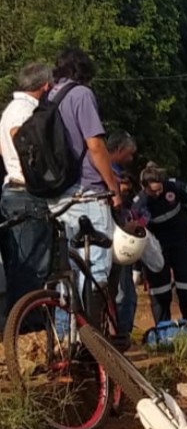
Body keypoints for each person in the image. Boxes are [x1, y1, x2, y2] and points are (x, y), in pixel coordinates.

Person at [48, 48, 122, 294]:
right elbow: (96, 146)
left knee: (68, 268)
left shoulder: (49, 96)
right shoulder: (81, 94)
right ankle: (89, 331)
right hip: (88, 192)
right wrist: (113, 188)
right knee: (96, 268)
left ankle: (64, 331)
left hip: (58, 193)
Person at [0, 62, 54, 317]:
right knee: (32, 270)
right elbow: (19, 140)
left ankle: (17, 330)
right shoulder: (25, 112)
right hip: (27, 193)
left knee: (19, 267)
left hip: (13, 191)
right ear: (45, 85)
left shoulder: (12, 109)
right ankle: (27, 331)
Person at [130, 162, 187, 325]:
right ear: (144, 187)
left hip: (181, 239)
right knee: (160, 291)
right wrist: (136, 267)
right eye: (152, 191)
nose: (157, 193)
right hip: (157, 245)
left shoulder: (175, 187)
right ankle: (163, 329)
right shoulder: (139, 204)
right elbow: (136, 234)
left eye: (159, 189)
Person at [106, 130, 138, 339]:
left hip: (115, 235)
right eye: (129, 153)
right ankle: (119, 336)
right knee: (122, 292)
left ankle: (118, 333)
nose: (131, 158)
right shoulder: (108, 173)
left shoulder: (110, 171)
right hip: (115, 238)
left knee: (123, 292)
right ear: (118, 149)